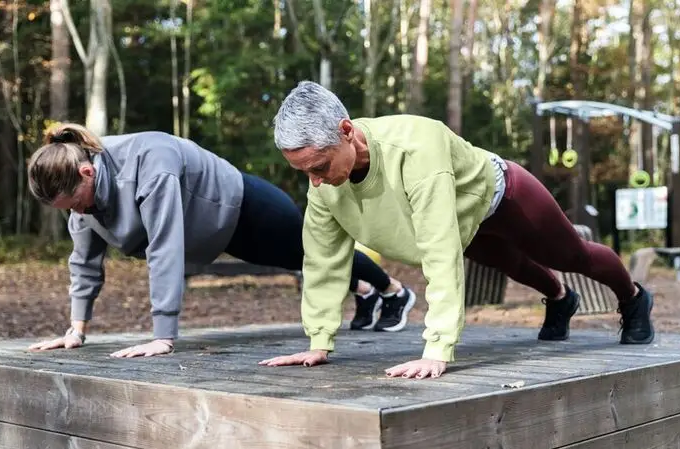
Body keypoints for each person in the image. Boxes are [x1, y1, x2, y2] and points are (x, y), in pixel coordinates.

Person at [259, 81, 655, 379]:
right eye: (304, 172)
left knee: (570, 256)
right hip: (466, 223)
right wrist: (319, 342)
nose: (314, 182)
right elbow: (324, 261)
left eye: (320, 167)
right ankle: (559, 297)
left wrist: (438, 349)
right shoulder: (325, 189)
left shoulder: (415, 147)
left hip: (502, 196)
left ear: (346, 131)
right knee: (514, 266)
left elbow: (438, 249)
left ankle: (634, 297)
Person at [25, 122, 416, 358]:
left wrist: (164, 337)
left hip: (246, 205)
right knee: (300, 260)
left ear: (87, 172)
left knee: (314, 252)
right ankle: (365, 292)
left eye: (74, 203)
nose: (75, 213)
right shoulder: (81, 202)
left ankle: (393, 290)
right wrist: (75, 331)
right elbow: (84, 261)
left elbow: (164, 246)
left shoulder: (149, 162)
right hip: (216, 232)